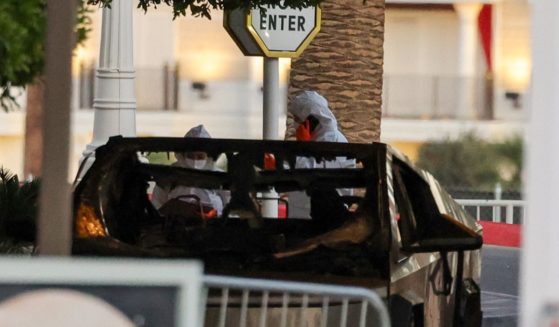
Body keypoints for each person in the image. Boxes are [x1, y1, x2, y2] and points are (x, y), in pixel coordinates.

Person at [287, 91, 355, 220]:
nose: (296, 124)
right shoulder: (316, 140)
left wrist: (303, 147)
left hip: (324, 220)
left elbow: (309, 175)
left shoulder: (333, 141)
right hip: (304, 218)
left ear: (311, 120)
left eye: (298, 119)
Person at [151, 125, 227, 216]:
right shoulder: (169, 174)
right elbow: (157, 204)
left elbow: (230, 209)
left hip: (211, 226)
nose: (195, 160)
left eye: (200, 156)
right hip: (175, 226)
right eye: (190, 156)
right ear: (183, 155)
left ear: (208, 156)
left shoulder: (219, 177)